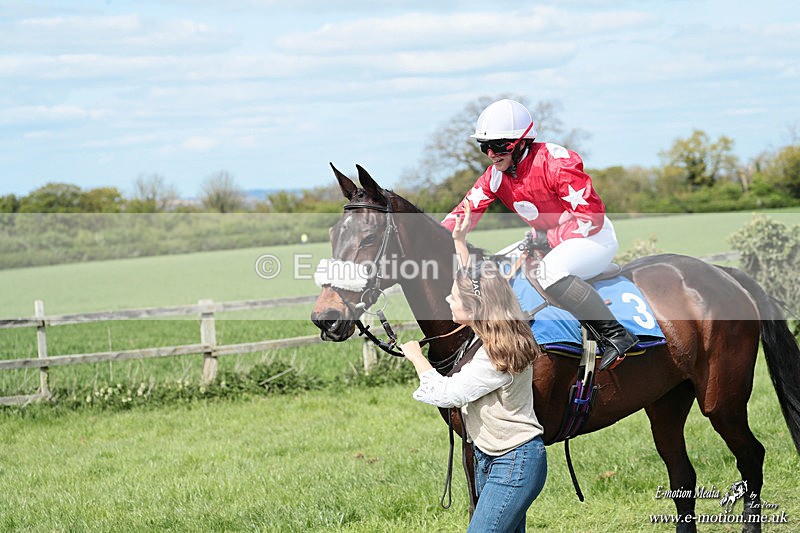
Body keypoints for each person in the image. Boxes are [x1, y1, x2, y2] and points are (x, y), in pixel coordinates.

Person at [441, 98, 638, 371]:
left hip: (592, 239)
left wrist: (548, 239)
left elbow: (591, 219)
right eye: (485, 146)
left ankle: (616, 335)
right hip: (547, 241)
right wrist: (424, 238)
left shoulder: (557, 164)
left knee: (550, 271)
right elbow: (463, 212)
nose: (491, 154)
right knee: (492, 268)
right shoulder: (495, 176)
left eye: (499, 145)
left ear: (522, 142)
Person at [400, 208, 547, 533]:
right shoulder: (498, 330)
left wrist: (416, 358)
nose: (448, 298)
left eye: (454, 296)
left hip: (513, 464)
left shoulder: (493, 355)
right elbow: (477, 282)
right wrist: (458, 240)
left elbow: (448, 394)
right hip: (492, 459)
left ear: (476, 308)